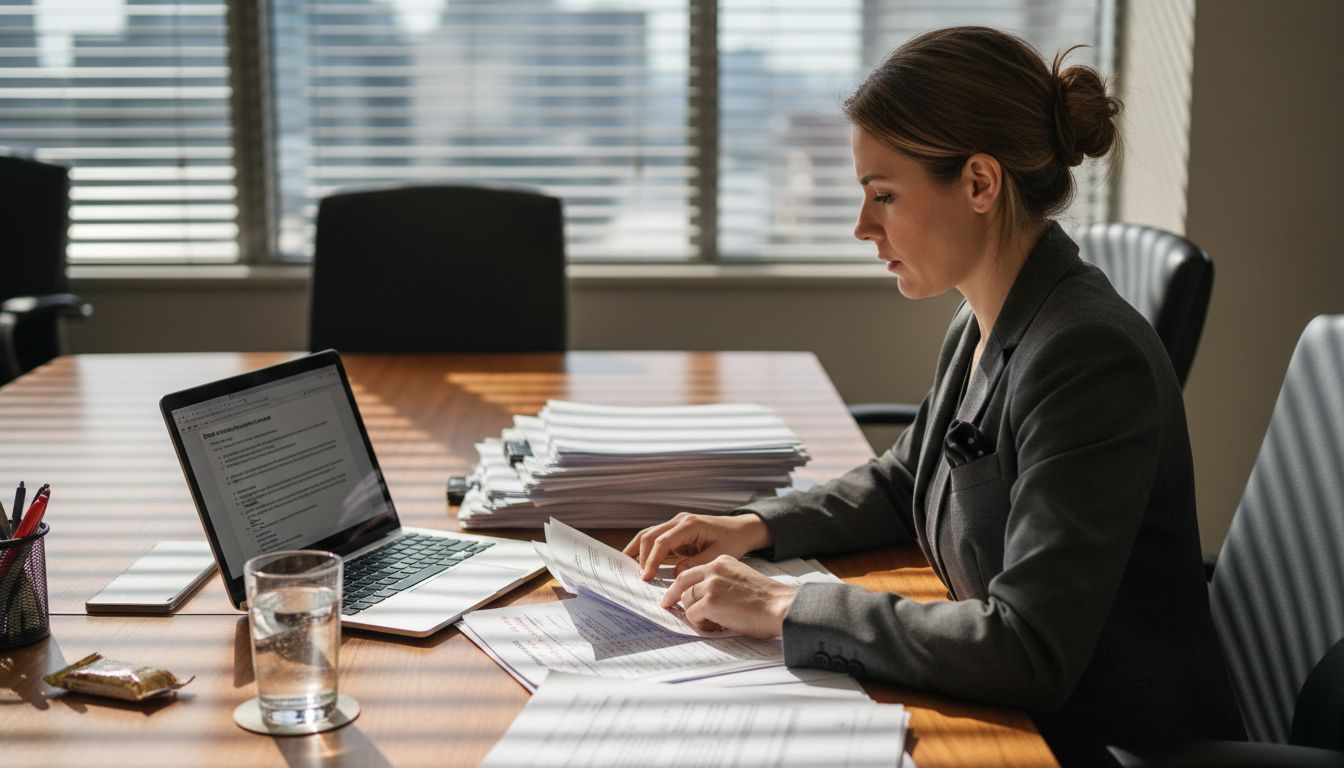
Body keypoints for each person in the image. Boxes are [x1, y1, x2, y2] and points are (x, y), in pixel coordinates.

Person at [624, 26, 1244, 765]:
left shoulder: (1086, 355)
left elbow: (1029, 648)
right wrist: (752, 526)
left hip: (1094, 743)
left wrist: (789, 604)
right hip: (1004, 710)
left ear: (980, 183)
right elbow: (905, 480)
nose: (862, 226)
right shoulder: (985, 316)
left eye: (884, 195)